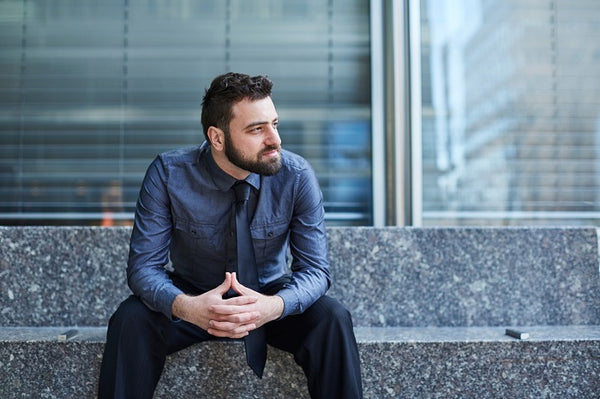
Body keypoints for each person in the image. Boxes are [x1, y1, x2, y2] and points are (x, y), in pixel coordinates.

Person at [98, 72, 363, 399]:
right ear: (217, 138)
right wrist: (188, 307)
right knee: (130, 319)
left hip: (267, 295)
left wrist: (273, 306)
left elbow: (316, 271)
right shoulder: (168, 174)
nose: (275, 139)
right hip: (194, 295)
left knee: (332, 318)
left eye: (274, 124)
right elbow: (143, 269)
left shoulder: (296, 176)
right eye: (257, 129)